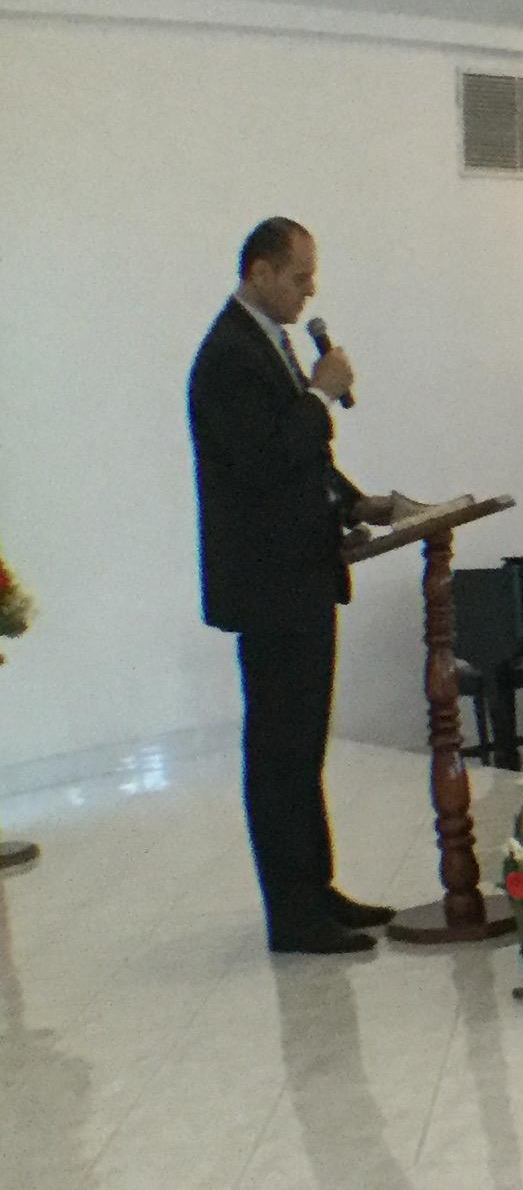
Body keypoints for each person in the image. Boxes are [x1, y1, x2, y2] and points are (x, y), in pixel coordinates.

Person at [188, 216, 400, 953]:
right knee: (280, 752)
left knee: (303, 747)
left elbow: (300, 462)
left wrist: (353, 502)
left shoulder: (265, 346)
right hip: (271, 588)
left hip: (299, 576)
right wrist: (319, 394)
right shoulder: (226, 356)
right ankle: (294, 914)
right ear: (259, 271)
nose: (310, 292)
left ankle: (318, 890)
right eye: (300, 277)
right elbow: (266, 457)